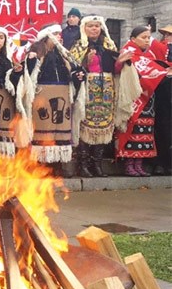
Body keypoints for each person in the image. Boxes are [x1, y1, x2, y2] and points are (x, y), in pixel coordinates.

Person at [24, 24, 85, 175]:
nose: (59, 37)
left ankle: (57, 166)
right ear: (47, 36)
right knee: (43, 131)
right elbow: (29, 75)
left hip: (63, 94)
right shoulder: (36, 51)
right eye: (56, 34)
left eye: (60, 34)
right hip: (43, 95)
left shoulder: (64, 55)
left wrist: (77, 76)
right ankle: (41, 166)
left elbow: (71, 74)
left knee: (60, 132)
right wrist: (31, 61)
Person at [114, 26, 171, 176]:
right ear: (133, 39)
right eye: (143, 37)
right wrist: (119, 64)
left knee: (145, 130)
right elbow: (119, 71)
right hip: (133, 99)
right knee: (131, 129)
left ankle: (138, 164)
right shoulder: (127, 53)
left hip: (148, 99)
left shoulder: (147, 56)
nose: (147, 40)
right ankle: (128, 164)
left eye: (148, 37)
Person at [69, 15, 119, 177]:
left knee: (104, 125)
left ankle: (97, 163)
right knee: (85, 123)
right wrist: (85, 62)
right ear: (84, 28)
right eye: (91, 26)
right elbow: (71, 66)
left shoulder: (109, 44)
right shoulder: (78, 45)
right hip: (87, 87)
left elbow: (115, 66)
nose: (94, 29)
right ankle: (83, 164)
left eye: (97, 26)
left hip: (107, 87)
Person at [0, 26, 24, 157]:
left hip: (7, 99)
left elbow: (13, 83)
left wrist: (17, 73)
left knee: (5, 128)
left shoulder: (9, 60)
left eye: (1, 38)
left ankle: (4, 161)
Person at [152, 24, 172, 175]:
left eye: (169, 34)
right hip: (163, 92)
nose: (167, 37)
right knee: (162, 128)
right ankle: (160, 162)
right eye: (165, 34)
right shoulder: (159, 50)